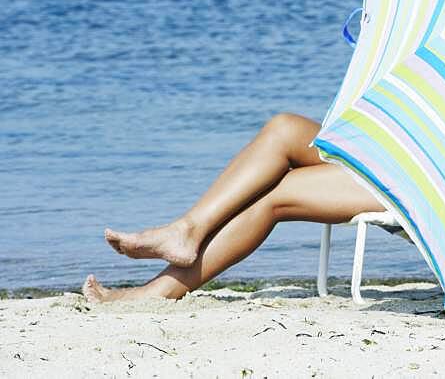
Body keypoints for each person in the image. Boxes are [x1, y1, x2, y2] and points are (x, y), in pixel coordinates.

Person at [82, 113, 385, 302]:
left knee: (274, 192)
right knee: (284, 128)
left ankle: (159, 290)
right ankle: (186, 229)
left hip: (421, 182)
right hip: (395, 153)